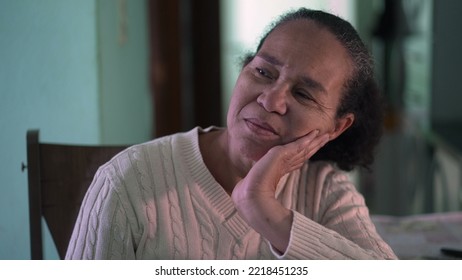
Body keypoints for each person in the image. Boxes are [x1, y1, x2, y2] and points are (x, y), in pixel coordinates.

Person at [66, 8, 397, 260]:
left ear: (337, 127)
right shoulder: (128, 180)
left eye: (304, 94)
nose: (271, 99)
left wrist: (262, 208)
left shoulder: (323, 190)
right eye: (263, 72)